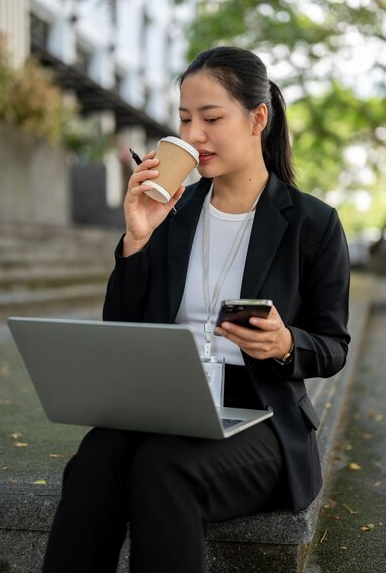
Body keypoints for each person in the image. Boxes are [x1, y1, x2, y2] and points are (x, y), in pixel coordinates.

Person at [42, 46, 350, 573]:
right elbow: (123, 329)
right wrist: (138, 238)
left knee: (165, 469)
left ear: (257, 119)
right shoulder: (173, 212)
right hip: (167, 402)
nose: (194, 135)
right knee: (95, 459)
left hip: (263, 419)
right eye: (185, 119)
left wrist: (285, 344)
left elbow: (332, 345)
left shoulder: (311, 223)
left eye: (211, 118)